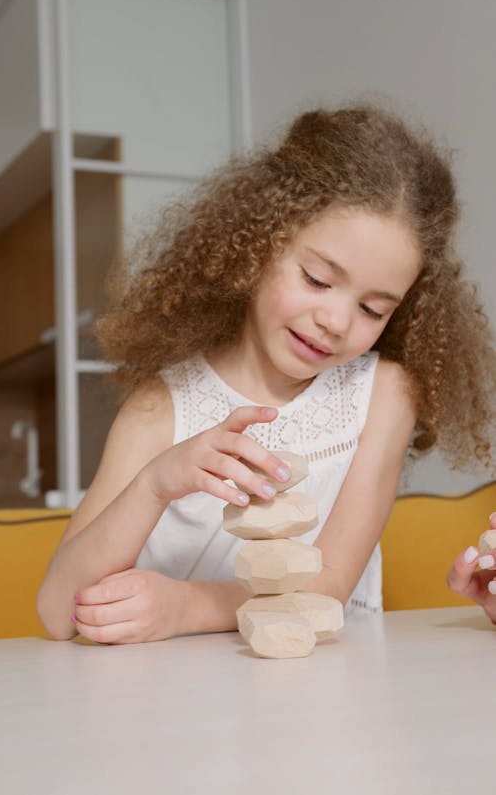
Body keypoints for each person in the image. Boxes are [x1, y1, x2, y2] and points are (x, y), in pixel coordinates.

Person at [37, 104, 496, 643]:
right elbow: (54, 611)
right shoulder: (161, 408)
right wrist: (156, 484)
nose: (336, 321)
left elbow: (327, 586)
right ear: (257, 243)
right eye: (317, 279)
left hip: (324, 690)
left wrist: (187, 607)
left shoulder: (384, 395)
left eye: (374, 309)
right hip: (170, 699)